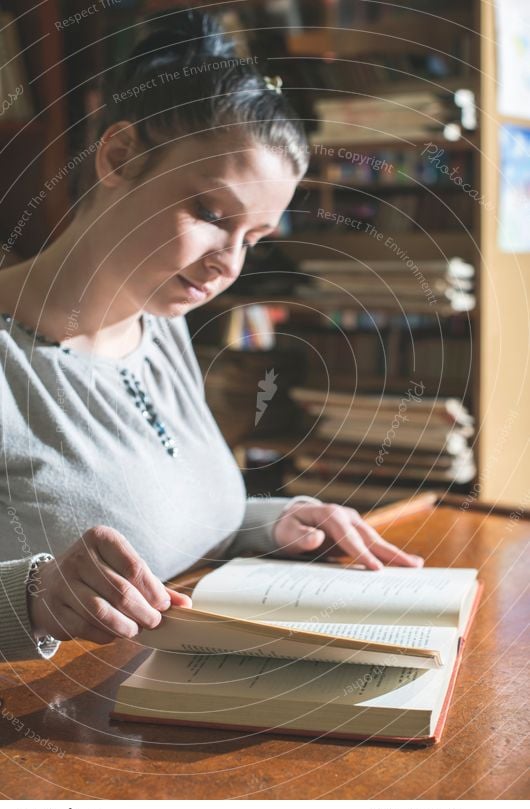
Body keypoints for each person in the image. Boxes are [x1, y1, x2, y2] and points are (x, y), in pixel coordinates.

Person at [0, 11, 423, 663]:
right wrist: (31, 597)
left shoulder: (161, 326)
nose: (229, 263)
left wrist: (273, 525)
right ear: (118, 156)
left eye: (252, 239)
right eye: (209, 214)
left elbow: (165, 524)